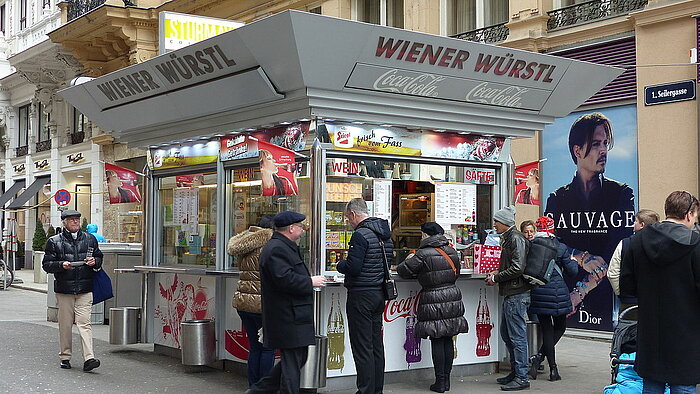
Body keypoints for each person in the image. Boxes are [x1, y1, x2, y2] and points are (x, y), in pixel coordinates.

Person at [544, 113, 635, 321]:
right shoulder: (558, 198)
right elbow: (550, 243)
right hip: (564, 293)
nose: (603, 150)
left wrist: (579, 292)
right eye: (595, 144)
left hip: (602, 297)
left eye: (605, 143)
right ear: (577, 150)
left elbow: (615, 250)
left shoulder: (621, 193)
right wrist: (580, 255)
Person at [620, 191, 700, 393]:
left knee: (651, 385)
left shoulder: (636, 241)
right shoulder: (695, 243)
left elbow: (627, 287)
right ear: (689, 215)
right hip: (686, 332)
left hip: (650, 330)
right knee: (683, 386)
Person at [247, 211, 326, 394]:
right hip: (286, 315)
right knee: (292, 362)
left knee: (298, 357)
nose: (303, 230)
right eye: (301, 226)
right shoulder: (276, 249)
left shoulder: (284, 246)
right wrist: (310, 282)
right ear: (291, 228)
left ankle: (259, 390)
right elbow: (284, 279)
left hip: (293, 313)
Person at [397, 222, 469, 393]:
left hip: (433, 298)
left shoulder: (423, 253)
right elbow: (456, 272)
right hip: (452, 296)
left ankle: (440, 382)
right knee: (447, 338)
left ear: (425, 235)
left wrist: (407, 259)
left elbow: (403, 271)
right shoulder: (452, 251)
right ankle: (447, 380)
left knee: (437, 337)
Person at [336, 198, 393, 394]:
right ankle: (377, 389)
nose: (349, 222)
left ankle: (365, 390)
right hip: (379, 293)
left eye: (348, 218)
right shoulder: (385, 234)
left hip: (361, 295)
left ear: (353, 214)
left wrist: (339, 265)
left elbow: (353, 267)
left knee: (362, 347)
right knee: (376, 344)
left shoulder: (360, 235)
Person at [42, 209, 103, 372]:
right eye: (71, 220)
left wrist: (94, 261)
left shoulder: (90, 239)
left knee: (85, 323)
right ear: (64, 223)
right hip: (64, 289)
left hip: (85, 288)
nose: (75, 222)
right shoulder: (54, 241)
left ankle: (89, 358)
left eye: (77, 219)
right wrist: (61, 265)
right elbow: (46, 265)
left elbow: (99, 258)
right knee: (65, 324)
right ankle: (65, 356)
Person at [485, 205, 532, 391]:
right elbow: (512, 264)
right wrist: (498, 271)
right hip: (513, 293)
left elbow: (518, 268)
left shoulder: (515, 238)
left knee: (517, 336)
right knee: (507, 334)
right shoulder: (509, 238)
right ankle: (516, 372)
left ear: (505, 223)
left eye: (496, 221)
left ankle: (522, 376)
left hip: (517, 293)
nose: (494, 224)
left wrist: (497, 277)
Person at [527, 216, 578, 382]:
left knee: (547, 329)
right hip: (557, 292)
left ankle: (543, 361)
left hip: (538, 291)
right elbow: (572, 271)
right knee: (560, 327)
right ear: (552, 228)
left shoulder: (530, 245)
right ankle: (549, 366)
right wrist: (573, 261)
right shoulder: (560, 246)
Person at [228, 214, 275, 387]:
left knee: (255, 347)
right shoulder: (269, 246)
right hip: (262, 304)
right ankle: (264, 388)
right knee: (268, 348)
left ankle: (253, 386)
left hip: (244, 302)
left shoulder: (246, 244)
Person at [607, 209, 659, 321]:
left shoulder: (625, 243)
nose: (633, 224)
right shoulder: (662, 244)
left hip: (629, 302)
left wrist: (622, 293)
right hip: (655, 301)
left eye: (635, 221)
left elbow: (612, 273)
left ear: (642, 225)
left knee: (629, 334)